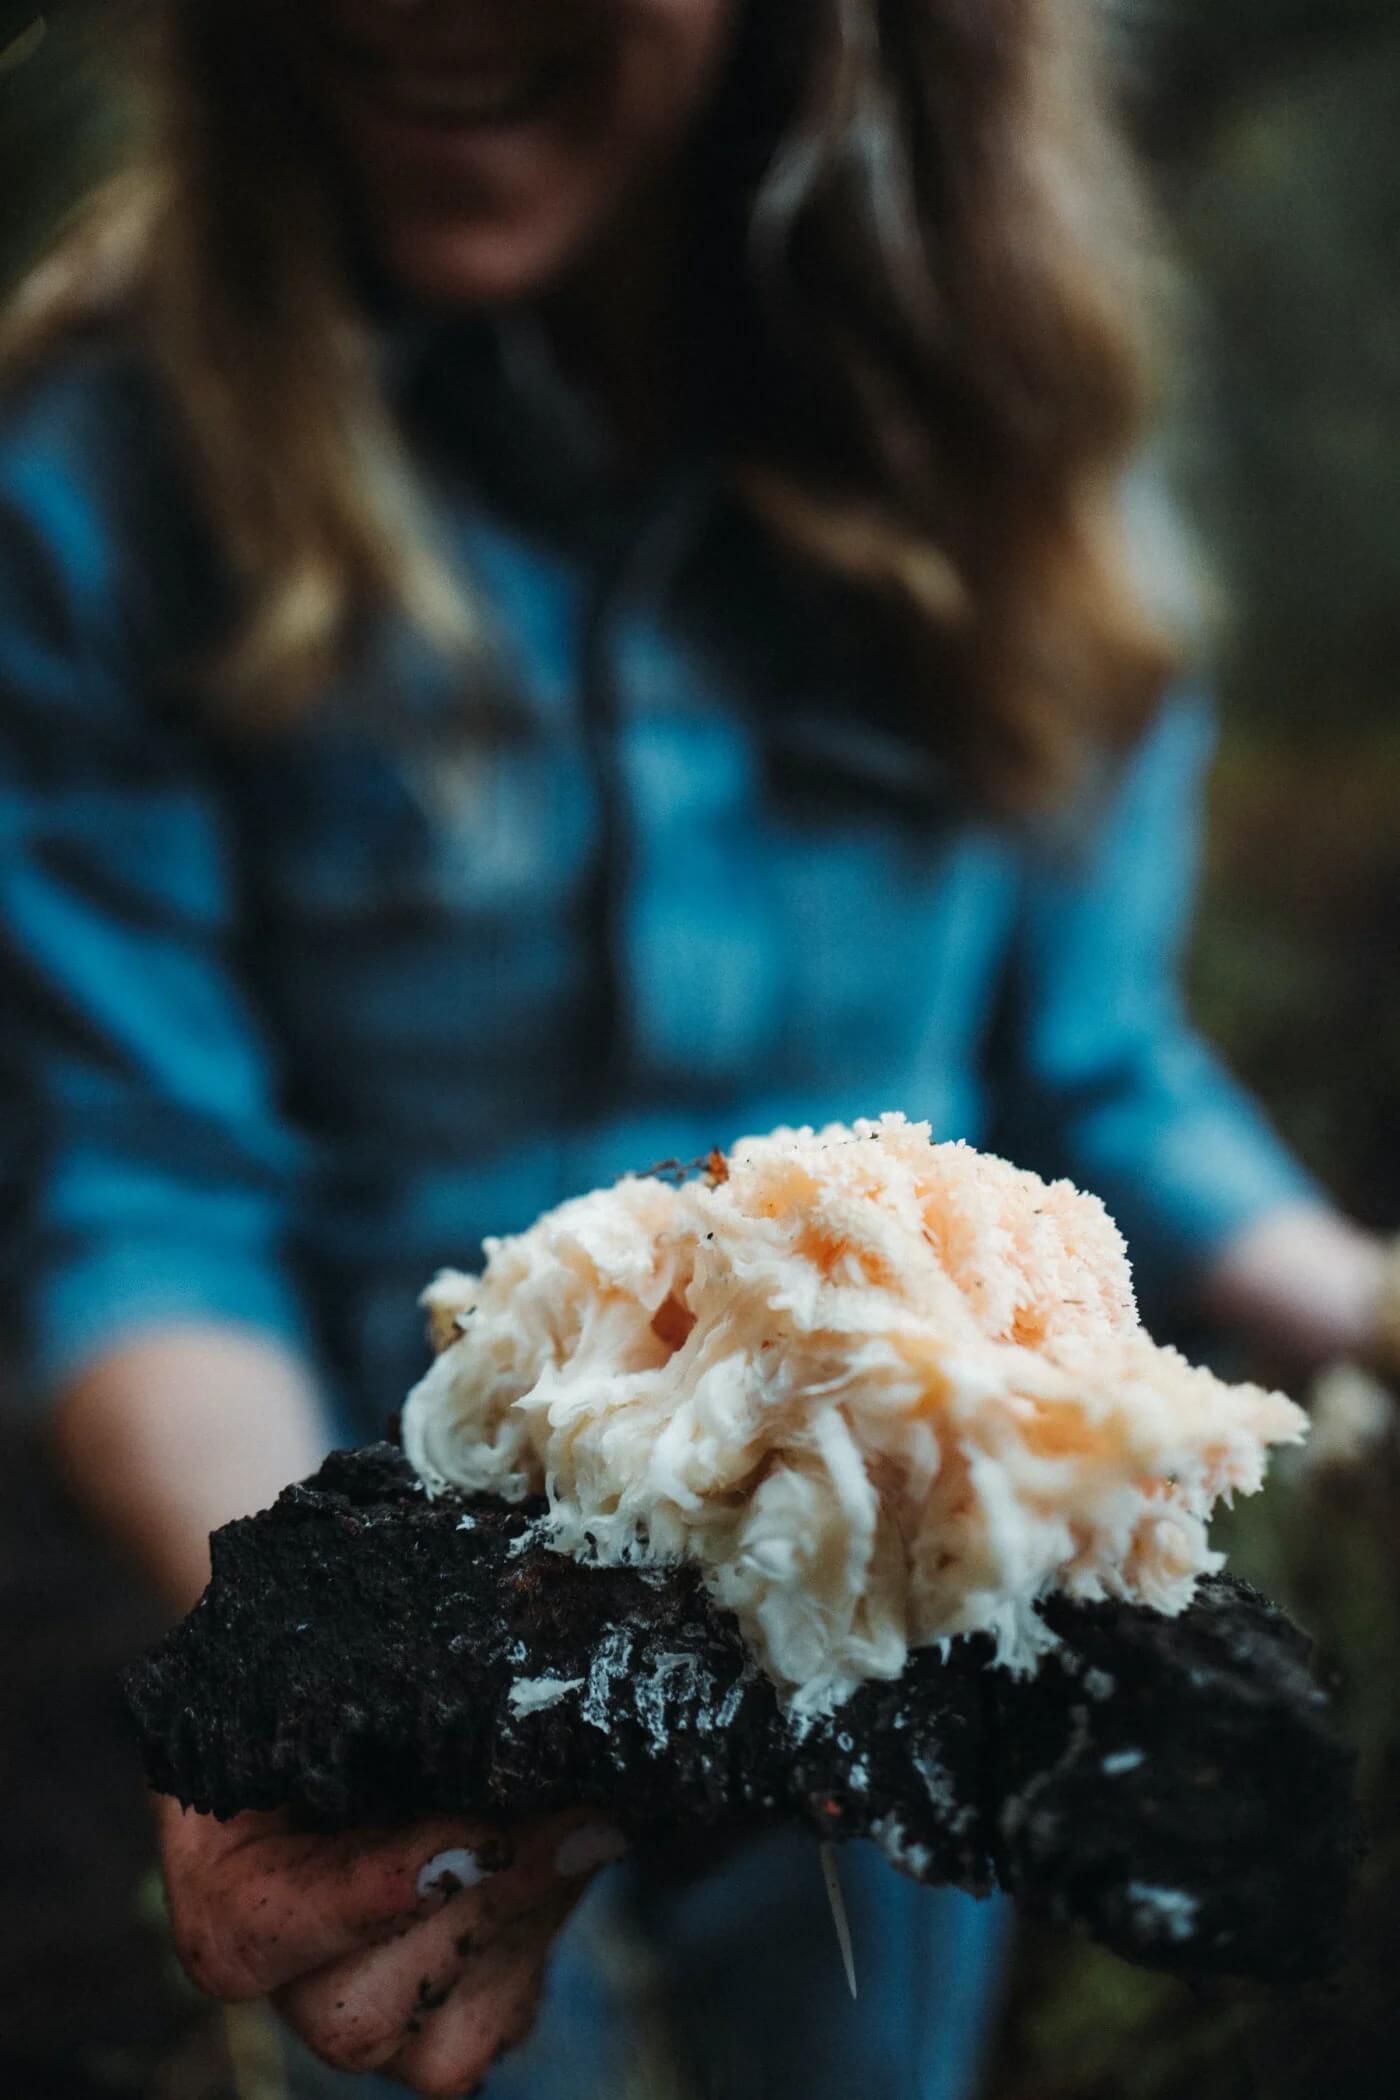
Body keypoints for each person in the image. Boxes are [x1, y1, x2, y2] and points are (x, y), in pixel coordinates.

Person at [0, 2, 1391, 2096]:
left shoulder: (1009, 448)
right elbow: (143, 1200)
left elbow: (1093, 1056)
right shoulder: (99, 484)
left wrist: (1349, 1296)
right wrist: (326, 1678)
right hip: (418, 1572)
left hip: (908, 1561)